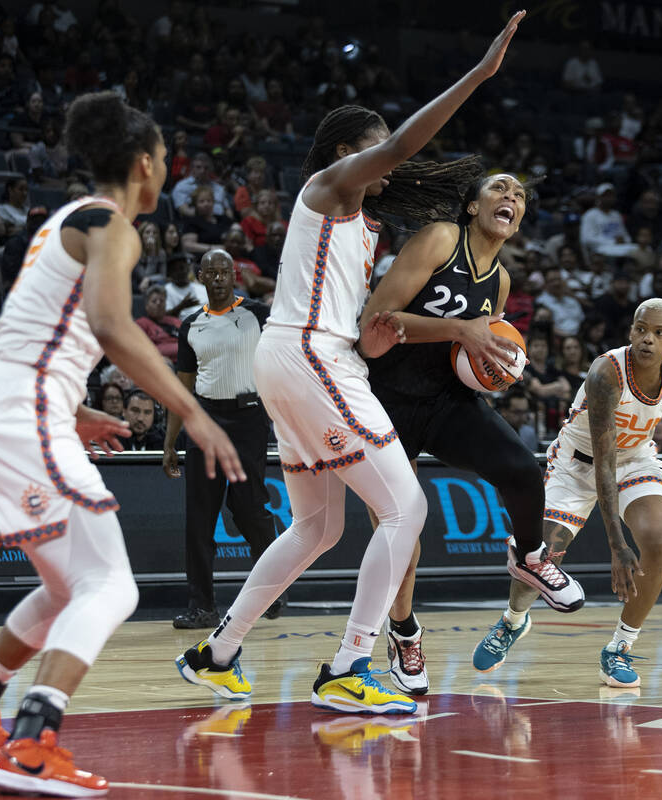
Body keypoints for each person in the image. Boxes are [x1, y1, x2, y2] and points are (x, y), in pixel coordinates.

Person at [176, 12, 528, 716]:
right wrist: (481, 75)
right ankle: (349, 666)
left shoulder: (361, 222)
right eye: (376, 151)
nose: (390, 161)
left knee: (319, 529)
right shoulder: (330, 184)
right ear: (345, 151)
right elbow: (402, 141)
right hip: (308, 355)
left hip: (302, 355)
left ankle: (216, 653)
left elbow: (366, 328)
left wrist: (380, 339)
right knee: (407, 506)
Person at [0, 91, 244, 797]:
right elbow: (109, 327)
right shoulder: (114, 225)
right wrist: (193, 411)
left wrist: (76, 406)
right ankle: (32, 745)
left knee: (68, 585)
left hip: (1, 404)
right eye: (164, 160)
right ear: (144, 163)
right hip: (17, 411)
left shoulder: (65, 220)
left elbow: (40, 337)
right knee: (110, 584)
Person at [360, 172, 584, 694]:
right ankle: (403, 632)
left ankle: (529, 556)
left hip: (444, 400)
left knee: (521, 469)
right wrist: (462, 330)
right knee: (402, 537)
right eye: (500, 189)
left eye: (520, 195)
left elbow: (475, 348)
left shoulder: (500, 281)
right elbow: (375, 322)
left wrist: (492, 367)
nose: (512, 198)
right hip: (383, 399)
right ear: (470, 206)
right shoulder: (440, 239)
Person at [472, 299, 662, 688]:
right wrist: (615, 545)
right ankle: (512, 621)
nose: (647, 339)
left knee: (658, 543)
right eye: (641, 329)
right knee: (541, 556)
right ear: (630, 331)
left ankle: (619, 648)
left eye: (659, 333)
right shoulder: (607, 372)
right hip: (577, 463)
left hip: (635, 460)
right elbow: (603, 463)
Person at [163, 249, 282, 629]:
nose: (217, 277)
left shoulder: (259, 314)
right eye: (210, 272)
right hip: (204, 421)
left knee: (249, 510)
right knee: (199, 518)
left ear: (235, 276)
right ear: (200, 277)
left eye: (224, 271)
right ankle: (202, 607)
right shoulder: (190, 325)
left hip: (248, 419)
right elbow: (181, 389)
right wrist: (171, 441)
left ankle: (273, 590)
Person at [134, 285, 182, 361]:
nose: (158, 303)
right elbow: (142, 350)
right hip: (161, 362)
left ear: (165, 304)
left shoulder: (176, 321)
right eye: (154, 301)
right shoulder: (141, 323)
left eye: (162, 300)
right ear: (146, 306)